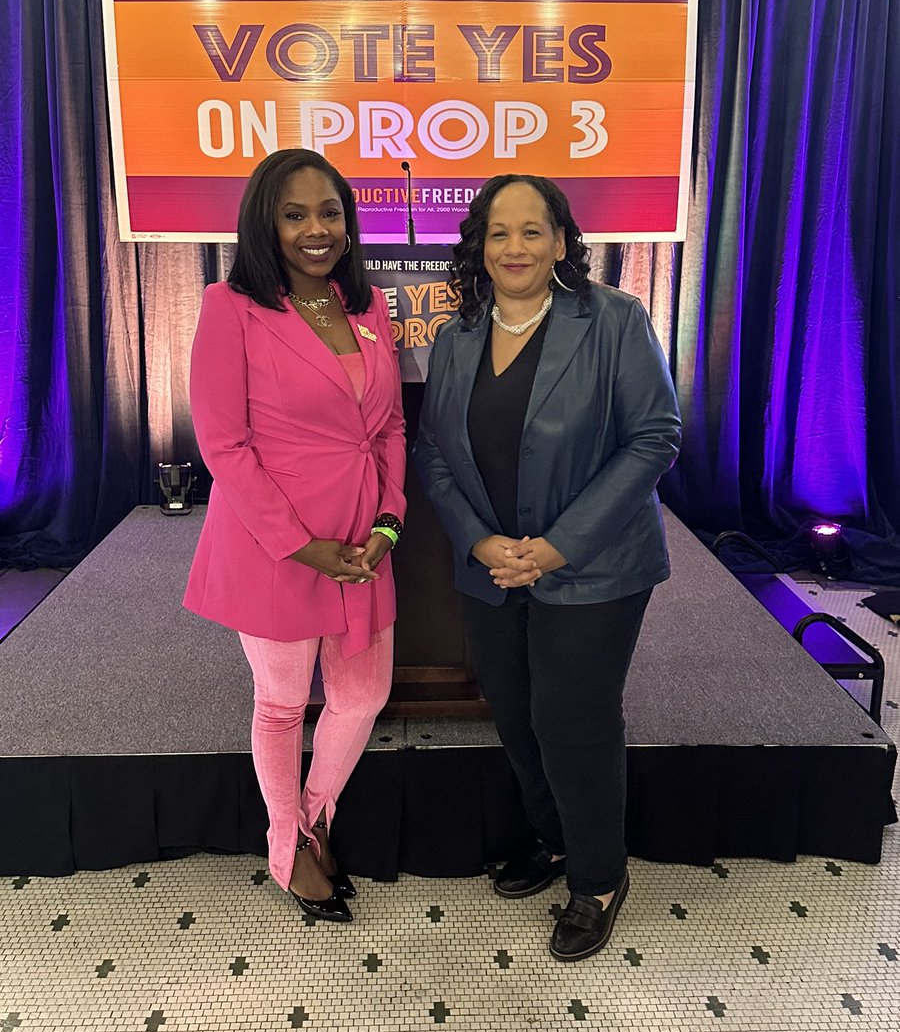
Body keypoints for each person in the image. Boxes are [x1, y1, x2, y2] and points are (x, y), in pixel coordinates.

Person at [413, 175, 681, 960]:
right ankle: (557, 839)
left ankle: (598, 878)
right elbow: (432, 452)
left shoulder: (615, 320)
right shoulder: (457, 335)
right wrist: (478, 541)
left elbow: (655, 436)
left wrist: (561, 544)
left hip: (597, 567)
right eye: (499, 233)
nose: (515, 247)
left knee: (573, 720)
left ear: (561, 241)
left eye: (533, 231)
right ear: (480, 247)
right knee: (516, 710)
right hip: (493, 571)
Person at [184, 148, 405, 923]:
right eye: (296, 214)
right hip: (274, 542)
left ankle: (308, 821)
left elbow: (389, 427)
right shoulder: (230, 308)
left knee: (364, 694)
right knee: (281, 703)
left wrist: (389, 523)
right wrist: (302, 545)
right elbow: (224, 446)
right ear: (265, 225)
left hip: (362, 541)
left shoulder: (367, 306)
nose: (318, 229)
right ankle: (292, 846)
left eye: (330, 212)